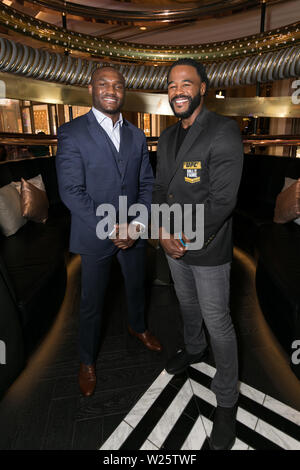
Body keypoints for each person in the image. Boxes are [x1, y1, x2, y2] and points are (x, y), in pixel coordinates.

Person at [153, 58, 243, 450]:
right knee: (187, 307)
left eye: (186, 84)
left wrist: (179, 236)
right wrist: (161, 232)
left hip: (206, 247)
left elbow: (223, 202)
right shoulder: (168, 136)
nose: (178, 92)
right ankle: (192, 348)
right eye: (173, 86)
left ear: (202, 88)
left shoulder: (223, 131)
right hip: (173, 244)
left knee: (217, 323)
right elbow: (159, 190)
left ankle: (227, 402)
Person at [56, 66, 162, 398]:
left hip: (133, 231)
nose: (111, 89)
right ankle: (87, 360)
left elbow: (147, 185)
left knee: (136, 286)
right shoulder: (72, 133)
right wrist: (111, 228)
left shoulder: (138, 135)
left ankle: (138, 326)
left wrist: (137, 226)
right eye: (104, 83)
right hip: (94, 234)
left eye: (118, 85)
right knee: (91, 302)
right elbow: (71, 191)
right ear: (92, 89)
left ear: (124, 91)